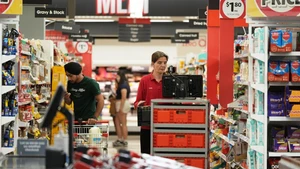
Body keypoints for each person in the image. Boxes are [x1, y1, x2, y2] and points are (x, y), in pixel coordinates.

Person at [134, 51, 168, 154]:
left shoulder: (170, 80)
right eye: (159, 62)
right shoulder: (145, 80)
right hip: (147, 126)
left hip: (165, 125)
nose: (162, 65)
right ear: (152, 64)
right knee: (146, 155)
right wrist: (139, 105)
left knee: (163, 156)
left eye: (164, 62)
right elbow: (136, 102)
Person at [113, 71, 131, 147]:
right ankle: (120, 138)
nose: (117, 78)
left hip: (122, 104)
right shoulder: (122, 84)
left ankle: (124, 140)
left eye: (117, 76)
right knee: (117, 122)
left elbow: (123, 97)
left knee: (123, 123)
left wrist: (121, 108)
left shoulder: (123, 85)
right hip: (120, 104)